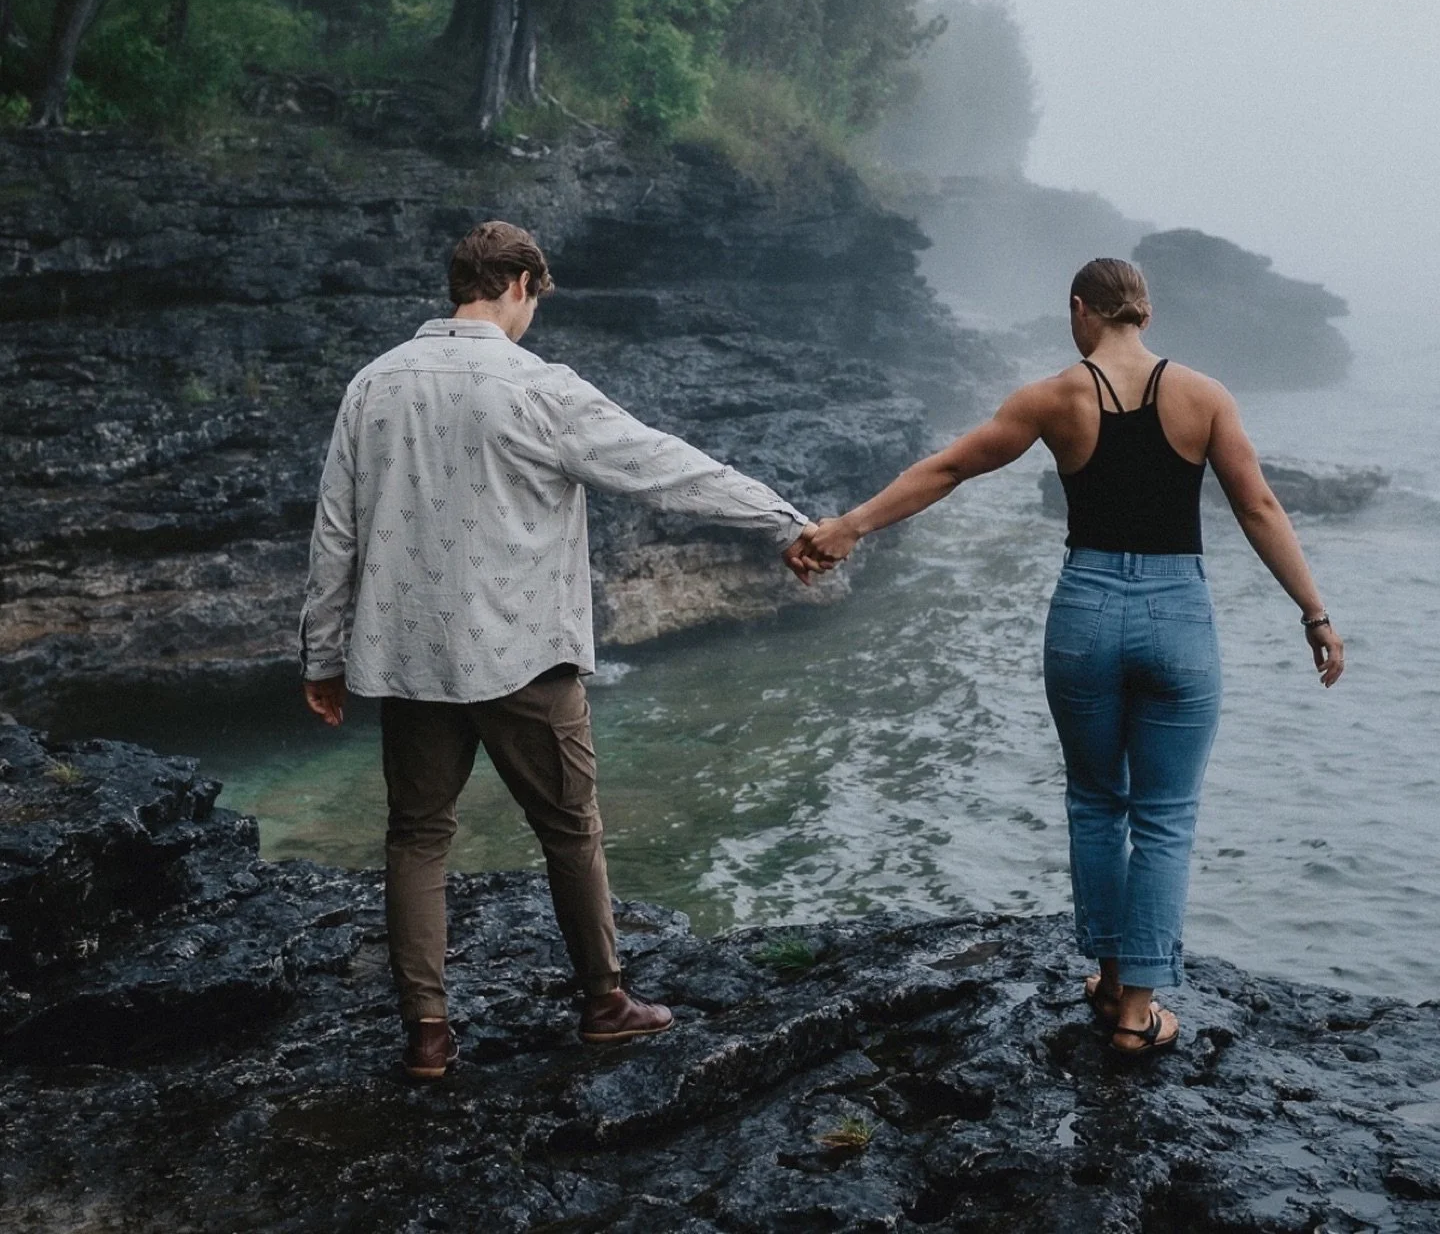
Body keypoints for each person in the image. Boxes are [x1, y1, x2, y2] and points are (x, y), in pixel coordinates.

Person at [301, 220, 817, 1079]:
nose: (534, 311)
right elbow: (666, 465)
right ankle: (605, 1001)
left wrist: (322, 658)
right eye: (536, 295)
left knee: (417, 836)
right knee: (572, 830)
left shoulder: (374, 385)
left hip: (411, 656)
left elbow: (335, 535)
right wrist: (785, 519)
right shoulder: (538, 388)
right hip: (523, 653)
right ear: (518, 284)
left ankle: (427, 1034)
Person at [791, 256, 1344, 1059]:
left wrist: (849, 527)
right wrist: (1315, 613)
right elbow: (1256, 505)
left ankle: (1112, 978)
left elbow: (950, 469)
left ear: (1081, 310)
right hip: (1176, 614)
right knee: (1165, 818)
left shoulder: (1055, 396)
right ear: (1145, 317)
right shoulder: (1203, 396)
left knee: (1096, 802)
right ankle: (1137, 1013)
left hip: (1086, 611)